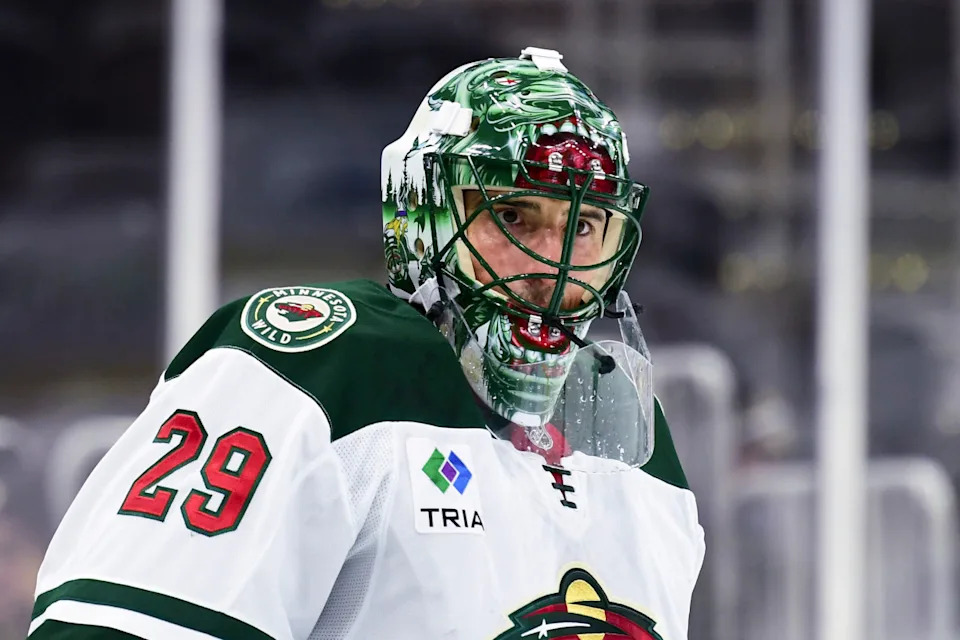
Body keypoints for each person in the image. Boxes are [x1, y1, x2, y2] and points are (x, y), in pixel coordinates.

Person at [28, 47, 704, 640]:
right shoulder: (321, 364)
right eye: (514, 215)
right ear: (421, 211)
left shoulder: (631, 432)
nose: (553, 270)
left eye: (583, 225)